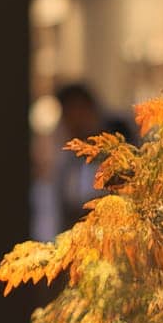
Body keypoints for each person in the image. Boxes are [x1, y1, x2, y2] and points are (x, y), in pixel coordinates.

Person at [52, 81, 137, 231]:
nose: (73, 122)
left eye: (78, 112)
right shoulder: (69, 162)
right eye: (67, 116)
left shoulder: (121, 153)